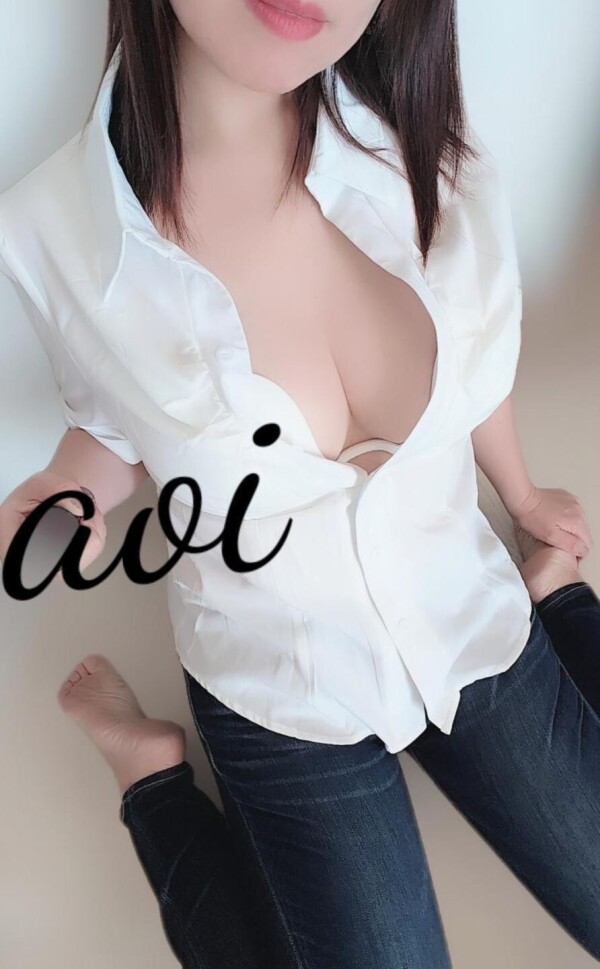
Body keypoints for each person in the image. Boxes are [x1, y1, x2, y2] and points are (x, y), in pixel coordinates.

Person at [0, 2, 598, 967]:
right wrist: (65, 496)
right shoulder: (58, 231)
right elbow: (116, 415)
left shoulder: (420, 141)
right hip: (280, 686)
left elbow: (473, 353)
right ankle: (154, 784)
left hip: (464, 613)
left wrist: (522, 497)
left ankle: (559, 601)